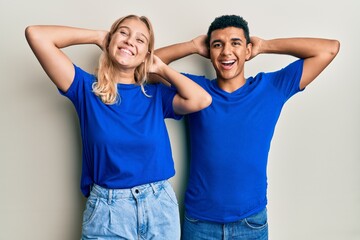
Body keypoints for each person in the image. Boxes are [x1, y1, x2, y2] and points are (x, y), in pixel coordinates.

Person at [25, 14, 211, 239]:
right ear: (110, 40)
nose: (130, 40)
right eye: (123, 32)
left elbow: (201, 100)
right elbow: (36, 35)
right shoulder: (85, 89)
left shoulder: (155, 95)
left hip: (159, 206)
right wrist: (97, 36)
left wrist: (161, 68)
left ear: (146, 55)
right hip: (108, 211)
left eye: (140, 40)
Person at [155, 14, 340, 239]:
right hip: (200, 222)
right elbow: (145, 67)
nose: (226, 52)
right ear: (209, 51)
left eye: (236, 43)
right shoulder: (195, 90)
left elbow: (328, 49)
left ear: (247, 50)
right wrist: (192, 46)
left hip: (250, 223)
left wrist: (265, 46)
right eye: (217, 45)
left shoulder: (271, 88)